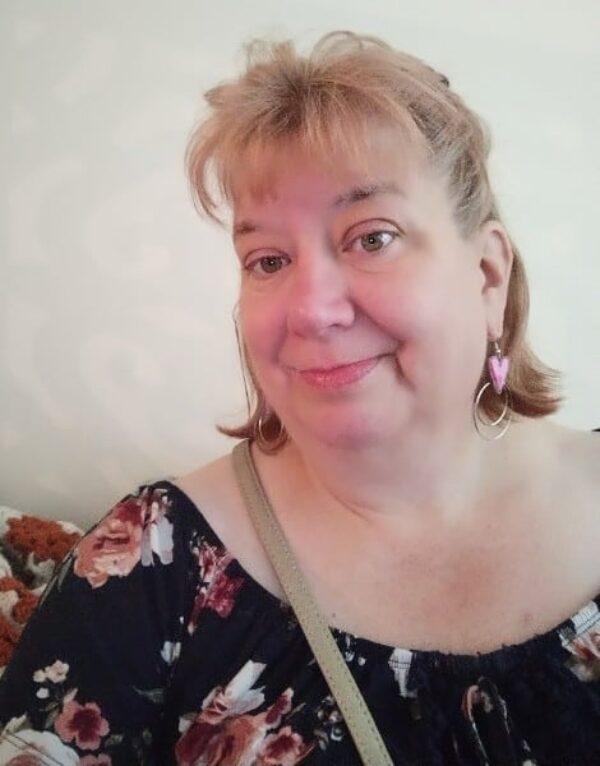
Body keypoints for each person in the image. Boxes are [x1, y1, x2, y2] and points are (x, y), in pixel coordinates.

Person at [0, 30, 598, 766]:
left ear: (487, 274)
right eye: (268, 259)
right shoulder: (145, 567)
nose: (311, 310)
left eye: (372, 237)